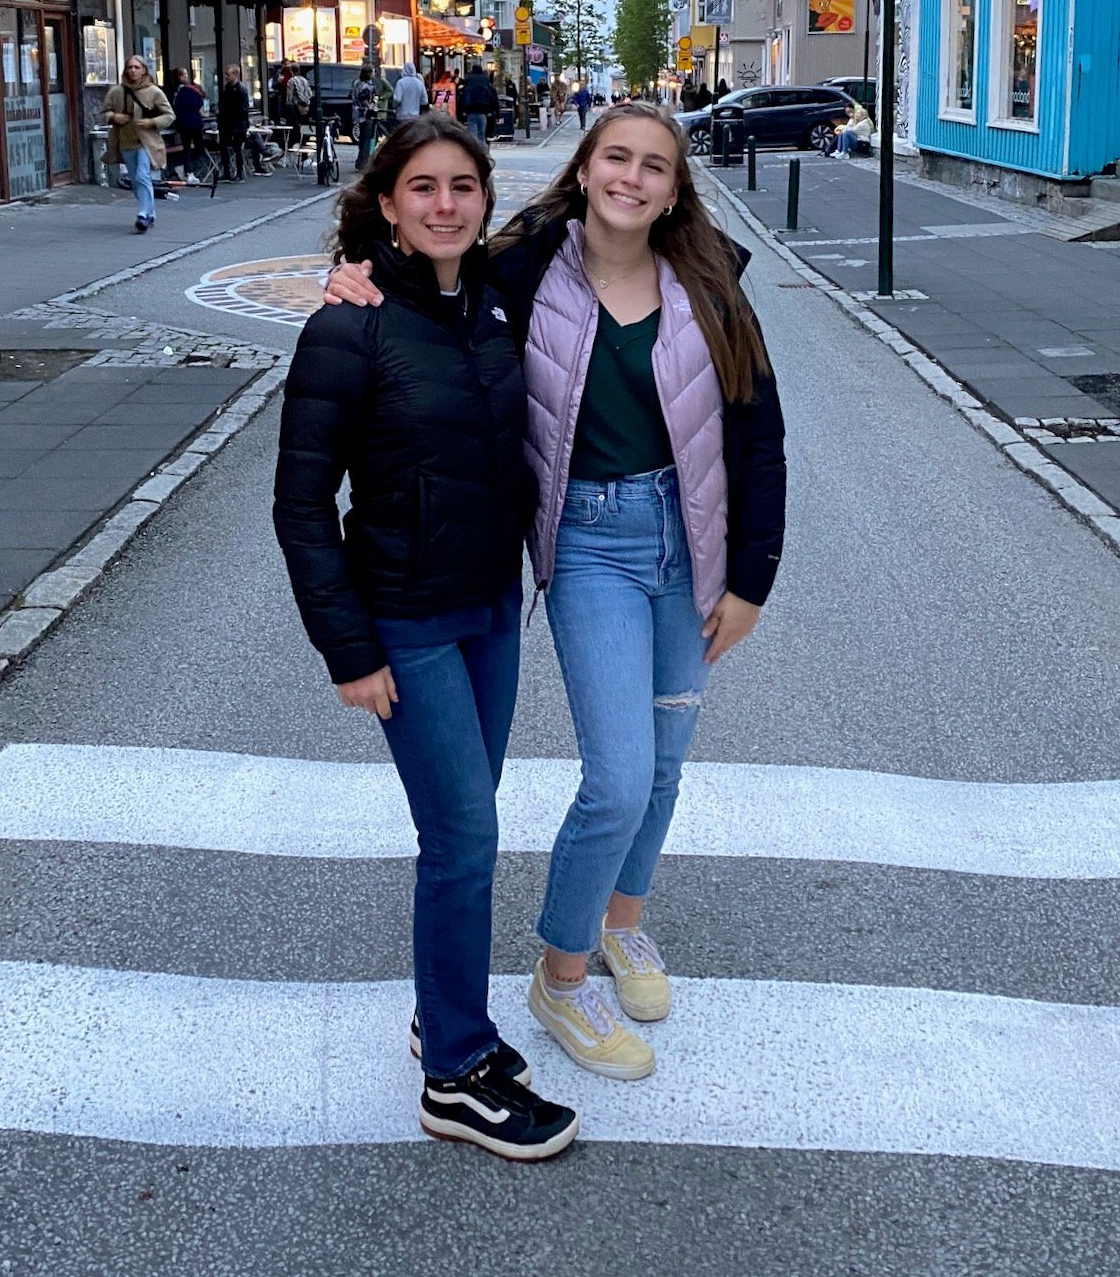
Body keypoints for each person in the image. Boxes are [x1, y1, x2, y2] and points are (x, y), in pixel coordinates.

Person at [325, 103, 786, 1082]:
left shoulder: (708, 286)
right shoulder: (525, 269)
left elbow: (757, 436)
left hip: (687, 543)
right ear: (582, 170)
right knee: (617, 775)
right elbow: (427, 260)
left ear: (674, 187)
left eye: (652, 165)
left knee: (663, 764)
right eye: (614, 157)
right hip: (588, 543)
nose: (631, 177)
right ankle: (562, 976)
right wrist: (354, 270)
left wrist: (750, 578)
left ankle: (624, 924)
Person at [273, 113, 579, 1164]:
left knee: (465, 828)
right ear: (388, 204)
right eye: (423, 188)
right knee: (463, 838)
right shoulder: (346, 328)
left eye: (463, 186)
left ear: (485, 200)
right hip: (402, 619)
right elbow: (301, 504)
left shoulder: (496, 294)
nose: (445, 204)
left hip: (490, 608)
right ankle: (453, 1073)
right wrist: (347, 649)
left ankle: (439, 1014)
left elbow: (607, 209)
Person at [102, 56, 174, 233]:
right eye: (129, 67)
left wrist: (151, 122)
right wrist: (113, 117)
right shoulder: (117, 91)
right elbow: (104, 112)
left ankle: (143, 214)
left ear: (144, 70)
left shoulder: (154, 91)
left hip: (146, 143)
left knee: (143, 176)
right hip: (125, 142)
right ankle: (150, 213)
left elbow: (169, 115)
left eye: (136, 67)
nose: (132, 71)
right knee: (135, 180)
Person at [169, 69, 206, 184]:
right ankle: (187, 169)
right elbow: (199, 102)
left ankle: (187, 169)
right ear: (180, 76)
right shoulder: (190, 90)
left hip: (181, 123)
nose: (187, 76)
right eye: (185, 74)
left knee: (187, 147)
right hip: (193, 123)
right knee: (199, 147)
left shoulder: (173, 91)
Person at [218, 65, 251, 181]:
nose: (226, 77)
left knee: (237, 149)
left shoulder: (241, 90)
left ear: (236, 75)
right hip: (226, 124)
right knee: (224, 148)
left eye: (228, 74)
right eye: (226, 74)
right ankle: (226, 172)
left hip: (237, 125)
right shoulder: (227, 88)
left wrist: (241, 125)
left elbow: (243, 109)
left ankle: (239, 174)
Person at [458, 61, 500, 146]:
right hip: (483, 109)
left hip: (471, 109)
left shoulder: (468, 80)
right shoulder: (486, 80)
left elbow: (463, 95)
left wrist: (461, 112)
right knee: (482, 133)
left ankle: (475, 151)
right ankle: (482, 151)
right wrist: (497, 113)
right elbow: (493, 96)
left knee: (473, 133)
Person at [353, 64, 379, 169]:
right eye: (372, 72)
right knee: (369, 139)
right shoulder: (366, 86)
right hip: (366, 114)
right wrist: (371, 106)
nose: (374, 74)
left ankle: (360, 161)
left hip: (358, 114)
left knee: (362, 139)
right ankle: (365, 162)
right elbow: (364, 100)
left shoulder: (356, 83)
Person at [284, 64, 313, 152]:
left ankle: (287, 152)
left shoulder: (291, 81)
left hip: (295, 109)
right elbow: (310, 94)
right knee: (304, 132)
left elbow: (289, 98)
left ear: (291, 71)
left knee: (292, 132)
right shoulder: (304, 80)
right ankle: (304, 155)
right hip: (305, 109)